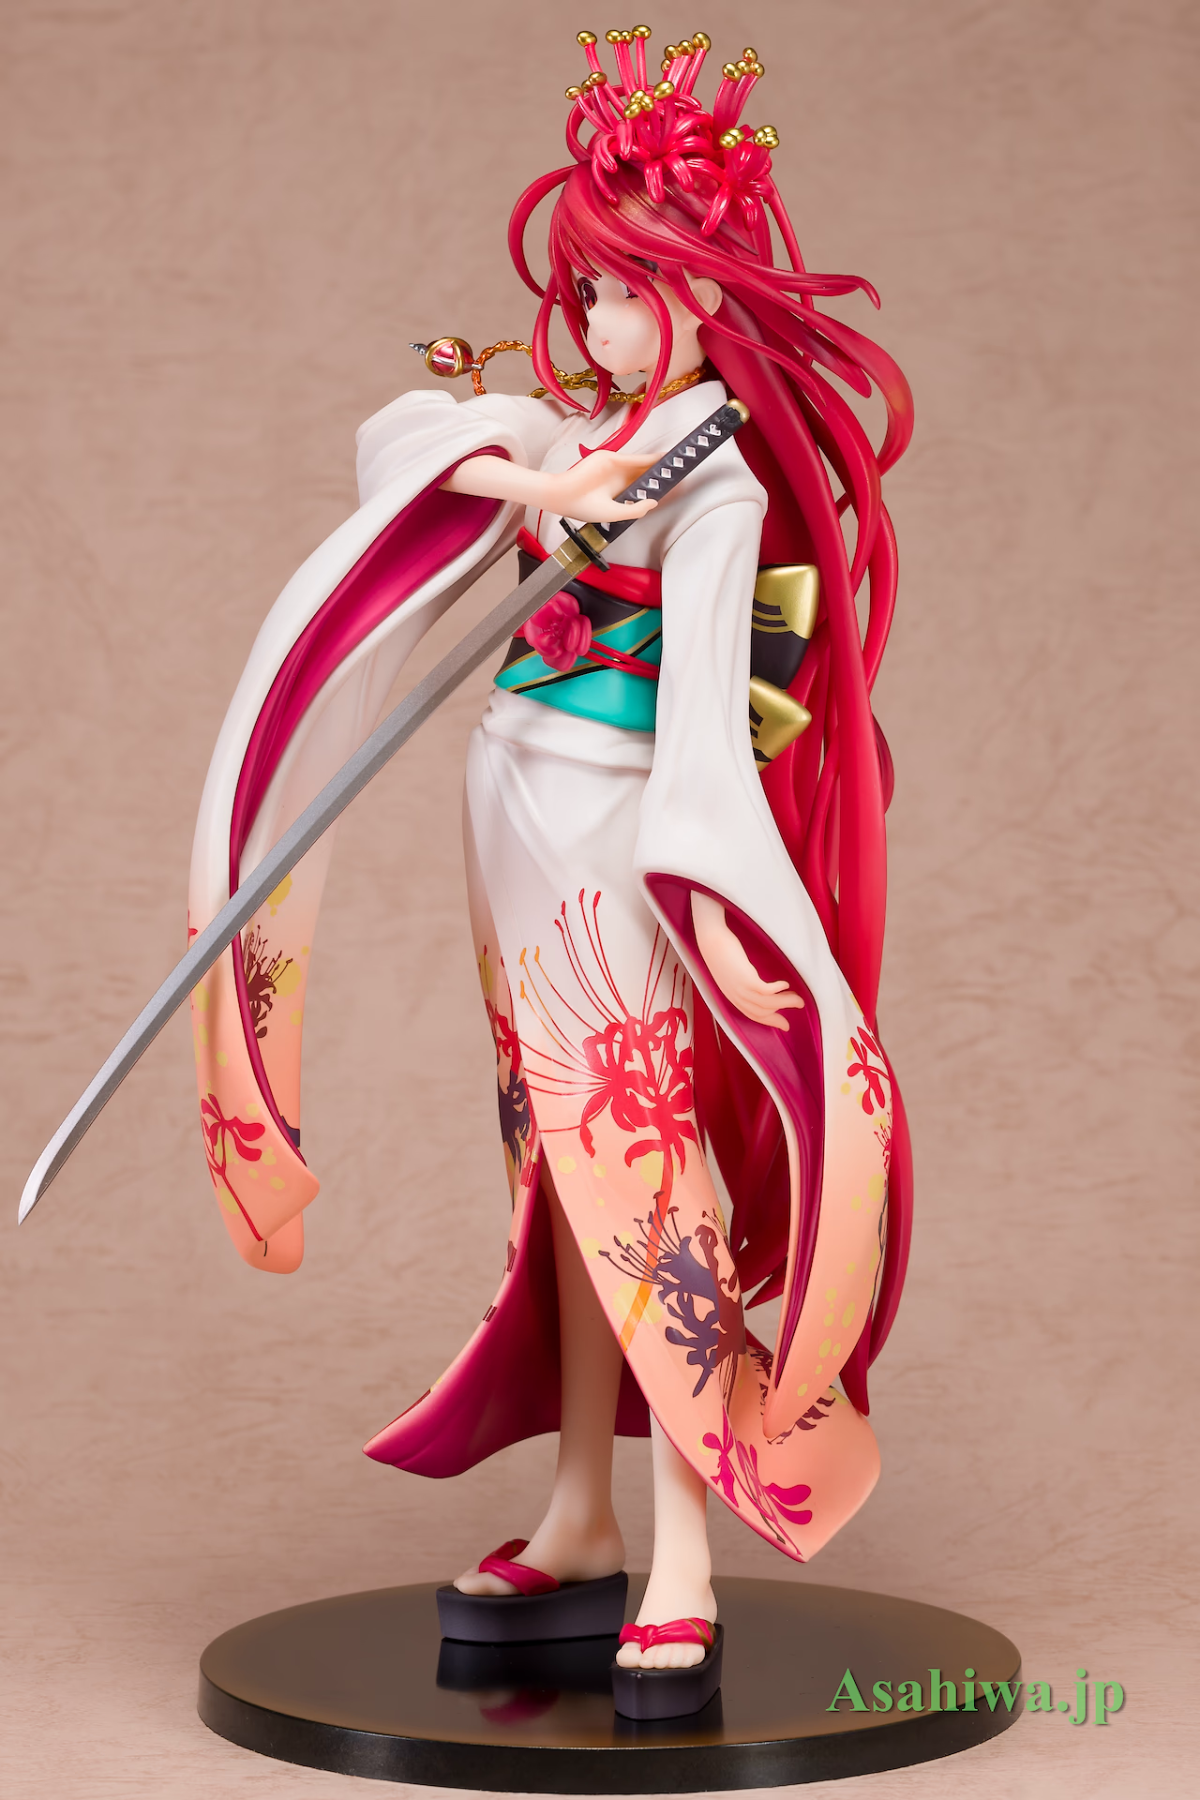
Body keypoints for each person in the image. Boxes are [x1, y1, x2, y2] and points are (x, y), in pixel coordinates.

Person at [186, 27, 915, 1692]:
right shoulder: (586, 427)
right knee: (551, 1181)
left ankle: (683, 1555)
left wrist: (724, 911)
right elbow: (414, 415)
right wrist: (538, 473)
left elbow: (712, 729)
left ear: (700, 291)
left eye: (617, 294)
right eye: (578, 293)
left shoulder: (716, 485)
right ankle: (583, 1511)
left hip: (619, 836)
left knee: (646, 1185)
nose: (588, 324)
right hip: (507, 814)